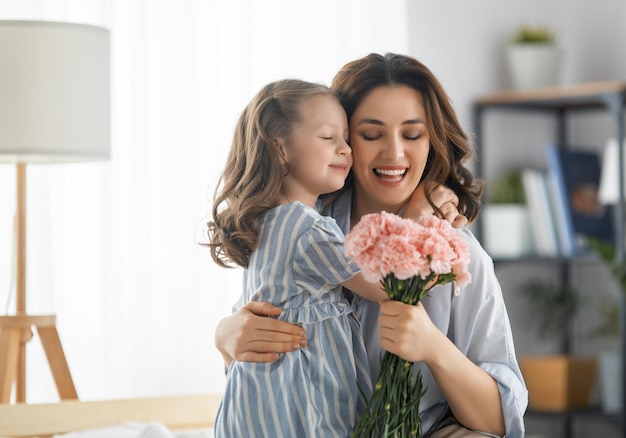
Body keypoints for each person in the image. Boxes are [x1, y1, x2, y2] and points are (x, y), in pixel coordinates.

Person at [214, 53, 528, 438]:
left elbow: (499, 422)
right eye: (371, 134)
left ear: (432, 142)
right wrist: (227, 340)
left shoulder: (457, 255)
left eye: (412, 135)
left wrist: (433, 347)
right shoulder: (299, 228)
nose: (394, 153)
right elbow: (260, 371)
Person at [207, 78, 391, 437]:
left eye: (347, 140)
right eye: (328, 138)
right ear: (280, 149)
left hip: (255, 398)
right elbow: (381, 286)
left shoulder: (264, 223)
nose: (346, 150)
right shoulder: (307, 227)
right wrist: (429, 246)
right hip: (302, 401)